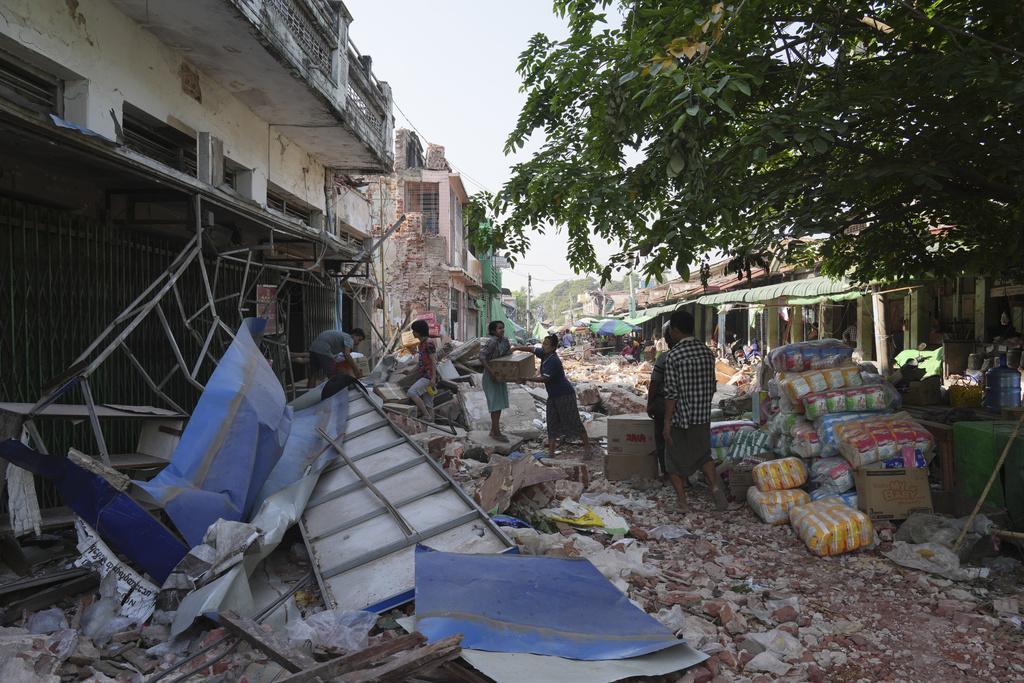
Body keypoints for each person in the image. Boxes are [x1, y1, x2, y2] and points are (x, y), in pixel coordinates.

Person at [662, 309, 727, 513]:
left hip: (681, 418)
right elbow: (712, 385)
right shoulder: (707, 353)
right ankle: (715, 487)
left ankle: (682, 502)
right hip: (702, 415)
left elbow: (672, 393)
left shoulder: (674, 355)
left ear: (675, 330)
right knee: (703, 456)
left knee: (672, 461)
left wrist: (666, 423)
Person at [516, 334, 593, 457]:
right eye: (543, 343)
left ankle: (588, 448)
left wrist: (526, 379)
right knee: (551, 422)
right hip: (553, 395)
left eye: (546, 344)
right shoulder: (544, 354)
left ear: (553, 348)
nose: (543, 346)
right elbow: (531, 349)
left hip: (564, 394)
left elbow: (544, 379)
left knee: (574, 421)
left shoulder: (553, 361)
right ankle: (551, 453)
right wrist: (516, 348)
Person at [647, 321, 675, 477]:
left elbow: (654, 383)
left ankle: (667, 472)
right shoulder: (703, 354)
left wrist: (649, 404)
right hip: (689, 409)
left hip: (664, 407)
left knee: (662, 438)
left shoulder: (664, 358)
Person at [479, 320, 513, 441]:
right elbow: (482, 357)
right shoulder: (491, 342)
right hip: (491, 377)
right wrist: (491, 371)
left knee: (499, 405)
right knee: (495, 405)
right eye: (499, 328)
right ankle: (496, 432)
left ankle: (494, 431)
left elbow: (508, 354)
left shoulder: (505, 341)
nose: (502, 330)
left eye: (503, 328)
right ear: (493, 331)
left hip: (500, 376)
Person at [406, 320, 436, 421]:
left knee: (411, 392)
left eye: (414, 331)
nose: (412, 333)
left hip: (428, 377)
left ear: (419, 332)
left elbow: (433, 361)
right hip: (425, 376)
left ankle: (427, 416)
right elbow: (421, 363)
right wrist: (409, 373)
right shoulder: (421, 344)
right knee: (429, 404)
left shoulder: (429, 343)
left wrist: (433, 378)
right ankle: (432, 425)